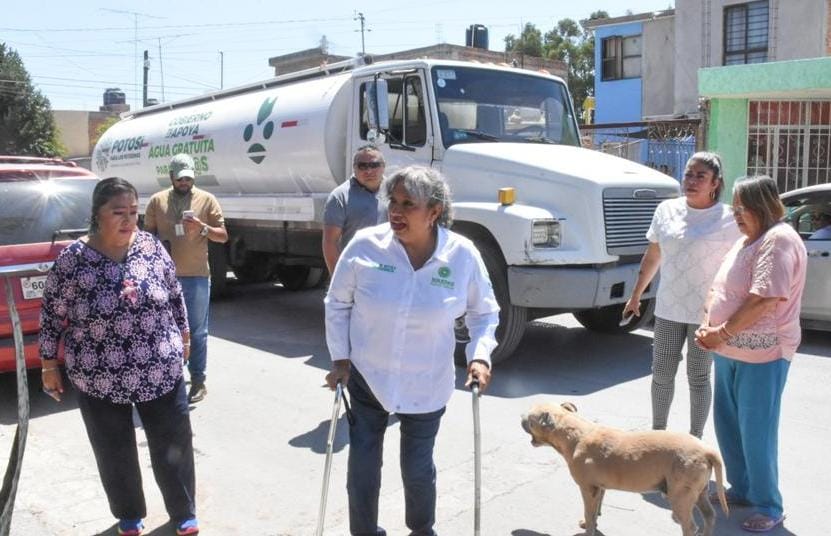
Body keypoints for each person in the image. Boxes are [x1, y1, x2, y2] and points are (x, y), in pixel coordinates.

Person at [324, 166, 500, 536]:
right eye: (393, 202)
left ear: (435, 211)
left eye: (409, 204)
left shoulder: (462, 255)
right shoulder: (365, 246)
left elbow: (484, 312)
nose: (396, 212)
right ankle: (364, 531)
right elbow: (337, 302)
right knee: (363, 468)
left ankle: (421, 530)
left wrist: (479, 356)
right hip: (369, 377)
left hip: (427, 383)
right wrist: (340, 358)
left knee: (418, 469)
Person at [39, 177, 199, 536]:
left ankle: (183, 511)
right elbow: (52, 315)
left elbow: (174, 294)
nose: (129, 220)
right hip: (98, 375)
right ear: (97, 214)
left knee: (173, 442)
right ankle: (129, 514)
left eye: (133, 212)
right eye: (118, 212)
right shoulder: (73, 260)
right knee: (114, 450)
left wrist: (185, 338)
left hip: (160, 367)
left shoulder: (151, 248)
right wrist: (49, 364)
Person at [695, 175, 807, 533]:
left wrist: (722, 331)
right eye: (735, 207)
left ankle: (769, 504)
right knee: (728, 426)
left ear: (763, 205)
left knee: (756, 430)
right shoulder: (747, 240)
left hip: (764, 352)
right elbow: (719, 287)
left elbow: (765, 298)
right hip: (727, 350)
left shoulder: (779, 240)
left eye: (743, 208)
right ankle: (741, 489)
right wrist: (706, 326)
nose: (737, 214)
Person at [623, 152, 741, 438]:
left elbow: (743, 260)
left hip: (707, 315)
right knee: (661, 375)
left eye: (701, 176)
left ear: (716, 182)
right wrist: (636, 294)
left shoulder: (729, 218)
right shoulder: (666, 210)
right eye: (689, 174)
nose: (692, 180)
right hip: (668, 309)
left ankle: (694, 441)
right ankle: (658, 436)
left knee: (698, 378)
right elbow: (653, 255)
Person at [144, 153, 227, 403]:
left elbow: (223, 236)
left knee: (198, 331)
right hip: (165, 279)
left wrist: (202, 227)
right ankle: (171, 378)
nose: (184, 183)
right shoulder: (157, 202)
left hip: (197, 277)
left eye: (188, 178)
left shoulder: (207, 200)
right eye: (180, 179)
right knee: (164, 330)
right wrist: (157, 249)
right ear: (171, 177)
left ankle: (198, 380)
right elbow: (146, 239)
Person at [322, 145, 386, 275]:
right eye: (362, 166)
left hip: (388, 272)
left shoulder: (394, 192)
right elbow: (330, 243)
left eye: (374, 165)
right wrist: (338, 279)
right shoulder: (340, 196)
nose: (368, 171)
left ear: (383, 166)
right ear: (354, 168)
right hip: (356, 273)